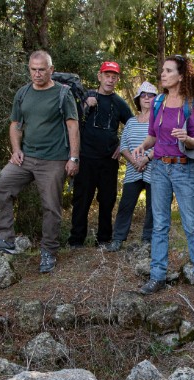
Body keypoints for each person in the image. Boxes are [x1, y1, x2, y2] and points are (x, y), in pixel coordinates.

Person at [0, 50, 79, 274]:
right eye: (33, 69)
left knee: (51, 206)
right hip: (26, 157)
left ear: (51, 70)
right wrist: (16, 150)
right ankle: (5, 238)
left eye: (42, 69)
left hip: (54, 159)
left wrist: (73, 157)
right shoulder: (23, 93)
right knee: (0, 185)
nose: (37, 74)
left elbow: (73, 125)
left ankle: (49, 252)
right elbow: (15, 124)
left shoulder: (63, 94)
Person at [132, 54, 194, 298]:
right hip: (159, 168)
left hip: (184, 169)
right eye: (163, 70)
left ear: (181, 76)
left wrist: (186, 138)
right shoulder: (158, 102)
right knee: (160, 225)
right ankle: (156, 276)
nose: (163, 74)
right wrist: (142, 146)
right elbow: (153, 136)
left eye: (169, 71)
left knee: (191, 225)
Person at [67, 61, 135, 248]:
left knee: (107, 199)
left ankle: (104, 239)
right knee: (82, 199)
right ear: (100, 76)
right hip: (86, 157)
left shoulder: (120, 103)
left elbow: (133, 126)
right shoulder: (86, 96)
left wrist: (122, 145)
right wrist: (86, 103)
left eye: (114, 77)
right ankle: (76, 240)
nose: (110, 80)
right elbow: (71, 118)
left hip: (108, 160)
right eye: (107, 76)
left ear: (117, 79)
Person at [106, 82, 158, 252]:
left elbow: (162, 145)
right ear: (138, 99)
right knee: (126, 205)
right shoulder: (130, 122)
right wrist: (135, 162)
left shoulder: (159, 121)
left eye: (151, 95)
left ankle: (148, 239)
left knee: (153, 207)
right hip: (133, 171)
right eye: (143, 95)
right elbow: (123, 147)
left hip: (153, 169)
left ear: (156, 99)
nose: (147, 98)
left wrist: (146, 160)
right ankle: (118, 239)